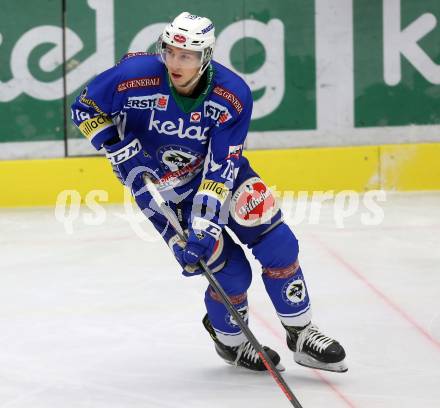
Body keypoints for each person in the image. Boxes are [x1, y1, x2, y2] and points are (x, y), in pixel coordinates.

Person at [71, 12, 347, 373]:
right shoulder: (133, 76)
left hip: (221, 175)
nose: (174, 62)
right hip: (163, 187)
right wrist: (114, 145)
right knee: (228, 272)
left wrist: (205, 226)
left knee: (278, 242)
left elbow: (220, 170)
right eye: (169, 52)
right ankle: (232, 344)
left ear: (205, 57)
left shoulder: (232, 95)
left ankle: (302, 331)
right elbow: (85, 107)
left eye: (185, 56)